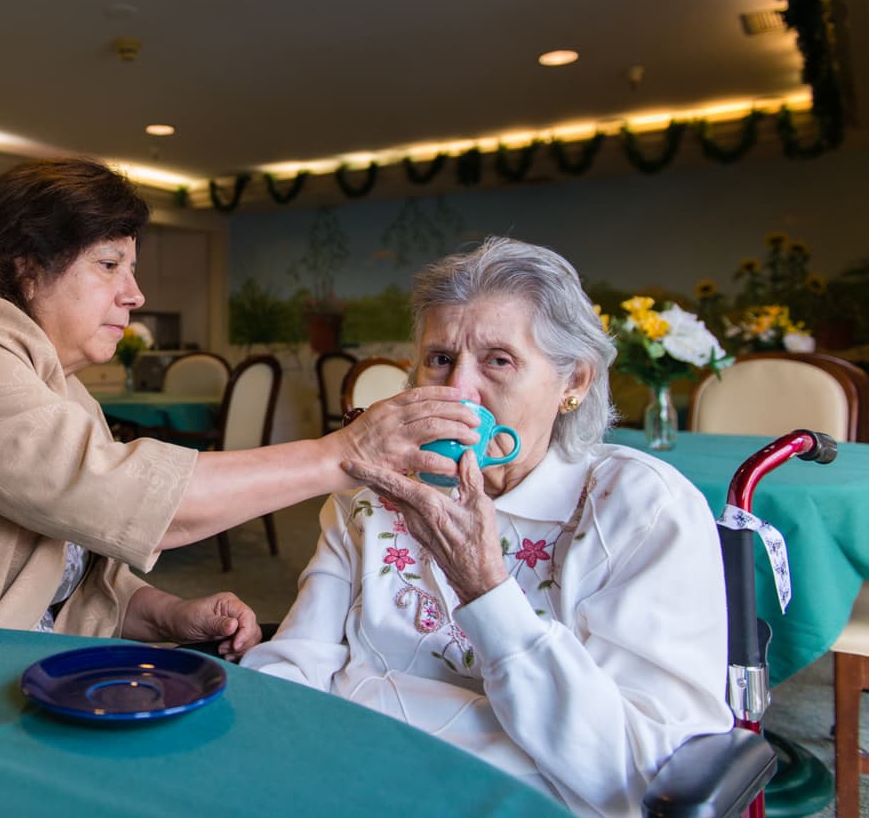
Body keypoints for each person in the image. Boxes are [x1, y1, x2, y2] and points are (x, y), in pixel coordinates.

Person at [0, 157, 470, 660]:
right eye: (108, 264)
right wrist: (342, 453)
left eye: (132, 266)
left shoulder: (63, 392)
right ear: (27, 266)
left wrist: (163, 613)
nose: (136, 294)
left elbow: (60, 569)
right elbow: (116, 494)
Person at [240, 236, 733, 813]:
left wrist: (486, 590)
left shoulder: (642, 509)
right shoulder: (375, 495)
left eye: (498, 360)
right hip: (348, 779)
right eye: (440, 359)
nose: (457, 391)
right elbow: (296, 662)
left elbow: (636, 775)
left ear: (573, 382)